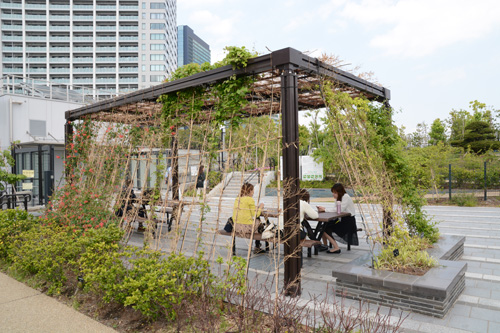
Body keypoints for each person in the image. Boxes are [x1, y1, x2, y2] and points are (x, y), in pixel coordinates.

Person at [317, 183, 358, 254]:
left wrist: (325, 209)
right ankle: (325, 245)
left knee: (325, 228)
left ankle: (336, 248)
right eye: (333, 192)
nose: (333, 194)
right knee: (323, 226)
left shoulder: (346, 197)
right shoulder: (338, 198)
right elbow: (335, 210)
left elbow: (340, 210)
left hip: (348, 222)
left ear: (340, 192)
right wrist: (324, 209)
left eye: (335, 192)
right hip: (341, 219)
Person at [232, 182, 265, 254]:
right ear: (249, 191)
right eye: (253, 190)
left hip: (236, 226)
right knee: (260, 224)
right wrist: (260, 207)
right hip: (246, 227)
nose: (253, 192)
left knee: (257, 222)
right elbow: (255, 214)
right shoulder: (250, 199)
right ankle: (257, 247)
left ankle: (257, 246)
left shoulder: (237, 199)